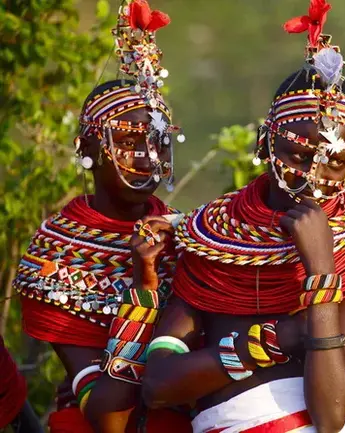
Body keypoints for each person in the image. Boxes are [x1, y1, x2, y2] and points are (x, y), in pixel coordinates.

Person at [140, 1, 345, 432]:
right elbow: (160, 384)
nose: (314, 179)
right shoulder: (212, 235)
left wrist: (321, 270)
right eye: (298, 155)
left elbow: (333, 414)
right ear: (265, 144)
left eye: (334, 163)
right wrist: (284, 338)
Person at [12, 1, 191, 431]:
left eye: (160, 142)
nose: (149, 158)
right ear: (86, 150)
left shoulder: (192, 235)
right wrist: (144, 289)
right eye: (130, 142)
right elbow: (108, 414)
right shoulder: (56, 254)